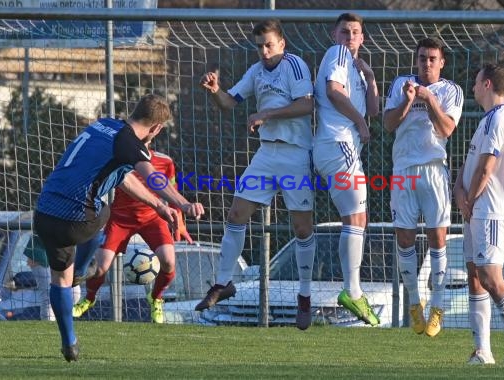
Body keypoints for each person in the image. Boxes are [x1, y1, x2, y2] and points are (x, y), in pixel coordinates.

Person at [33, 94, 205, 362]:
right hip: (78, 219)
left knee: (61, 281)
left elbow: (122, 177)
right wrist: (183, 204)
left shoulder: (103, 125)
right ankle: (82, 268)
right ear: (156, 128)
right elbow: (154, 178)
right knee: (104, 210)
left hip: (44, 213)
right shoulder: (128, 141)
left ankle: (70, 343)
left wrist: (159, 206)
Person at [195, 19, 316, 330]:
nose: (264, 51)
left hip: (294, 154)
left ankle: (304, 295)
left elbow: (306, 104)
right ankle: (223, 283)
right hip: (266, 154)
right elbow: (229, 103)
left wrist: (266, 114)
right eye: (259, 45)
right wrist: (215, 90)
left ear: (282, 43)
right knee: (236, 213)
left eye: (269, 45)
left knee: (302, 228)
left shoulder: (295, 65)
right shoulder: (256, 71)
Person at [454, 63, 504, 365]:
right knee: (475, 277)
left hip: (489, 211)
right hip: (476, 209)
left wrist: (469, 198)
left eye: (475, 83)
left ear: (487, 85)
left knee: (490, 276)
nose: (472, 87)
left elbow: (487, 167)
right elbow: (473, 161)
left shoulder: (499, 119)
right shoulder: (486, 120)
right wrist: (459, 189)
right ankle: (482, 350)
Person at [383, 37, 464, 337]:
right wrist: (407, 101)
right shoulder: (401, 84)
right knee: (404, 237)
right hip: (403, 169)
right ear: (415, 61)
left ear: (441, 62)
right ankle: (415, 305)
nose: (426, 63)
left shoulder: (450, 90)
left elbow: (446, 129)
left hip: (433, 170)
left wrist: (429, 100)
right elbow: (388, 124)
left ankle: (438, 308)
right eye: (422, 58)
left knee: (437, 237)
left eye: (432, 58)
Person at [72, 142, 193, 324]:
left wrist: (180, 223)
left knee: (168, 261)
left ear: (151, 136)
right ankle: (89, 298)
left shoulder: (164, 161)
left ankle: (157, 298)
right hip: (120, 218)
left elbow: (173, 193)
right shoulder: (121, 159)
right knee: (100, 266)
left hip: (153, 218)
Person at [312, 13, 380, 326]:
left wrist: (371, 77)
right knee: (355, 217)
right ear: (334, 34)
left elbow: (375, 110)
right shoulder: (337, 53)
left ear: (363, 38)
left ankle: (353, 290)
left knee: (357, 218)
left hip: (339, 147)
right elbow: (333, 91)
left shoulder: (356, 67)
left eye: (355, 32)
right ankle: (352, 291)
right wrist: (360, 121)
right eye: (344, 31)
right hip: (339, 143)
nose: (350, 36)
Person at [23, 236, 81, 321]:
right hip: (41, 250)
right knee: (48, 295)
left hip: (64, 250)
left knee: (74, 292)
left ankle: (61, 321)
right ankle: (49, 328)